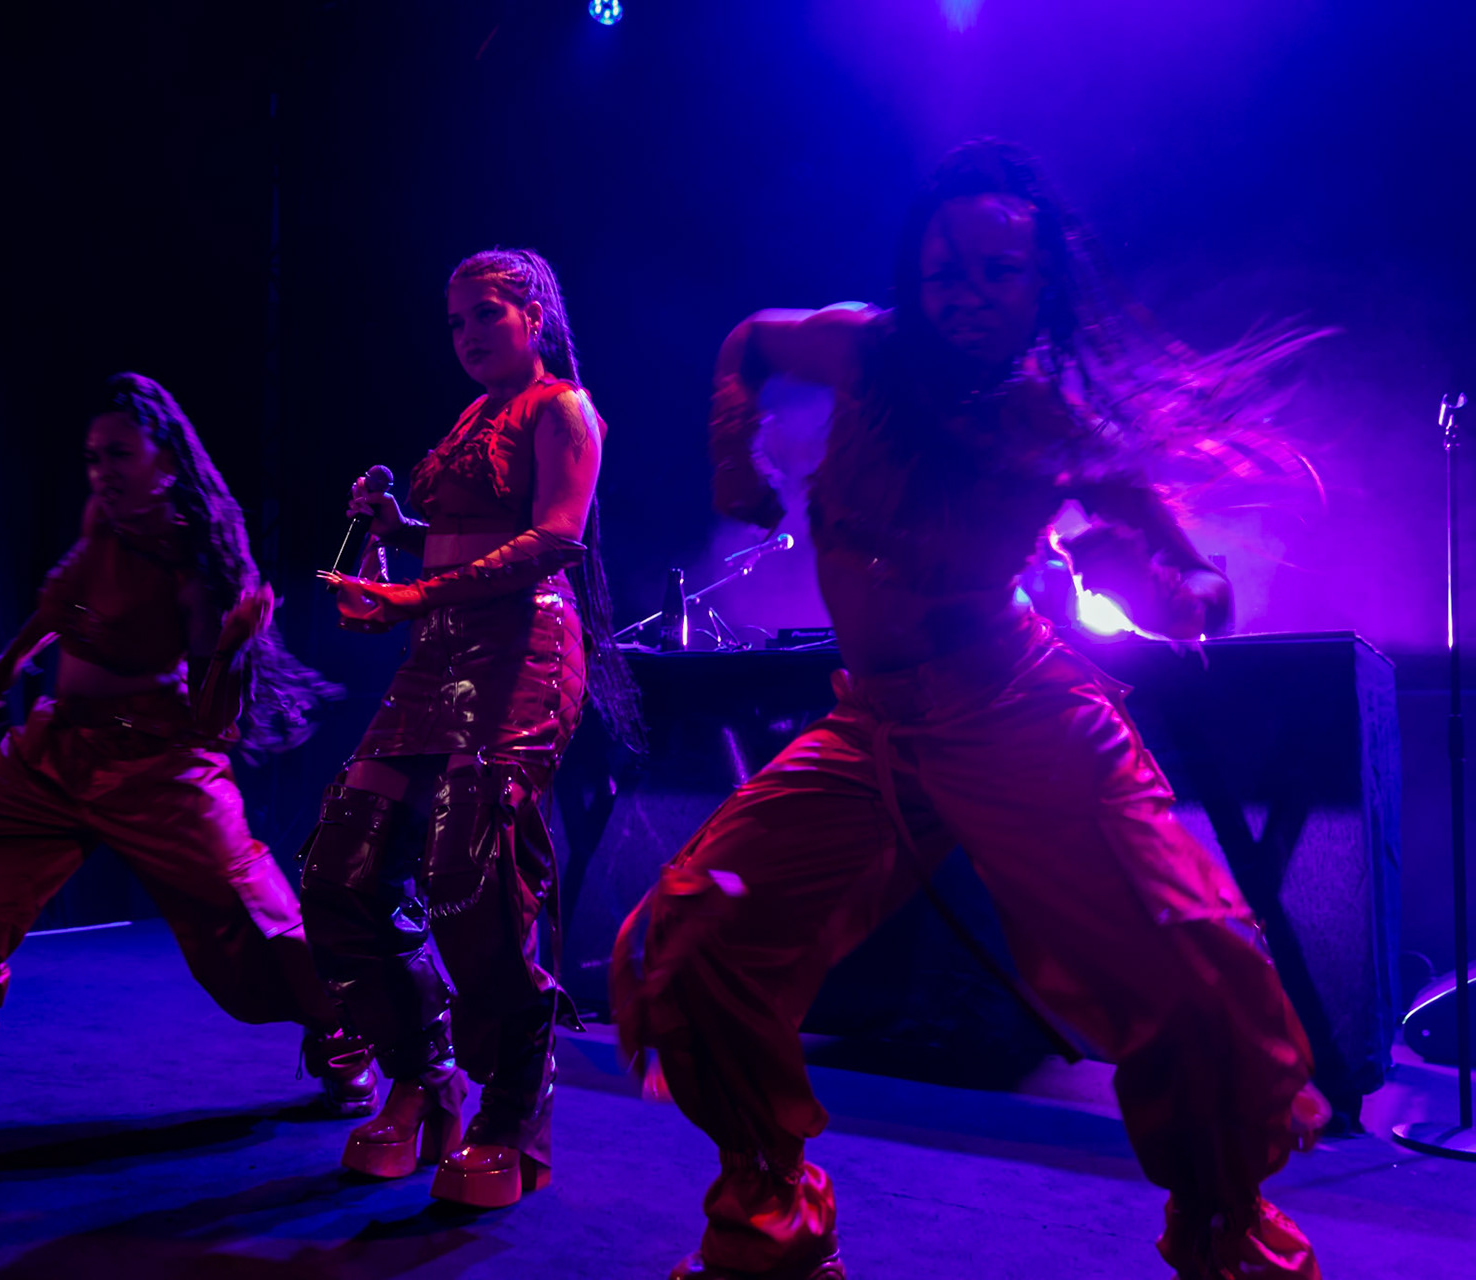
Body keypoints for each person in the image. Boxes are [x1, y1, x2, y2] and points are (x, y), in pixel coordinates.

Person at [611, 141, 1330, 1280]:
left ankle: (1230, 1230)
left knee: (1192, 956)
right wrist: (732, 460)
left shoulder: (1059, 425)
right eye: (945, 269)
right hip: (880, 727)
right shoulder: (862, 342)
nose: (967, 292)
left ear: (1041, 280)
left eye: (998, 270)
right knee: (701, 933)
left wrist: (1165, 586)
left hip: (1017, 708)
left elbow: (1203, 593)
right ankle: (769, 1217)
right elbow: (748, 340)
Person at [0, 373, 375, 1118]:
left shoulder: (201, 560)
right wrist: (7, 664)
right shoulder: (106, 514)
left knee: (245, 904)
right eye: (94, 457)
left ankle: (339, 1035)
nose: (102, 471)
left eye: (119, 455)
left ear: (166, 460)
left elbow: (211, 717)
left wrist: (229, 650)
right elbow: (65, 599)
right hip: (58, 746)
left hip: (158, 759)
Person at [301, 248, 641, 1208]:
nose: (467, 336)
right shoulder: (472, 418)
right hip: (437, 654)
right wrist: (394, 524)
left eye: (486, 314)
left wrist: (410, 592)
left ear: (533, 312)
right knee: (341, 869)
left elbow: (553, 538)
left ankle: (511, 1107)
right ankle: (424, 1074)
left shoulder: (563, 407)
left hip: (522, 652)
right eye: (454, 323)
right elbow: (464, 535)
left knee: (472, 876)